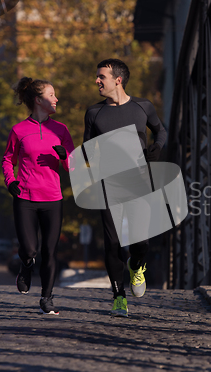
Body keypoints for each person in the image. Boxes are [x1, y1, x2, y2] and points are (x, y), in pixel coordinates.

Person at [84, 59, 167, 317]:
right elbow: (87, 149)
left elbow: (160, 131)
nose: (97, 81)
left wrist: (157, 148)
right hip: (109, 185)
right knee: (113, 242)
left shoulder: (143, 106)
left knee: (141, 241)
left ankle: (136, 265)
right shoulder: (94, 113)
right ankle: (119, 296)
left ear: (117, 80)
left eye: (102, 77)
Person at [2, 77, 75, 315]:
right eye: (52, 94)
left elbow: (71, 166)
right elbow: (7, 159)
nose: (56, 98)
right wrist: (10, 180)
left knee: (50, 252)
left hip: (53, 198)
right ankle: (25, 265)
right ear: (38, 100)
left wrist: (65, 156)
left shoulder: (61, 129)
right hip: (25, 197)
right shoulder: (19, 130)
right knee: (30, 249)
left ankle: (47, 298)